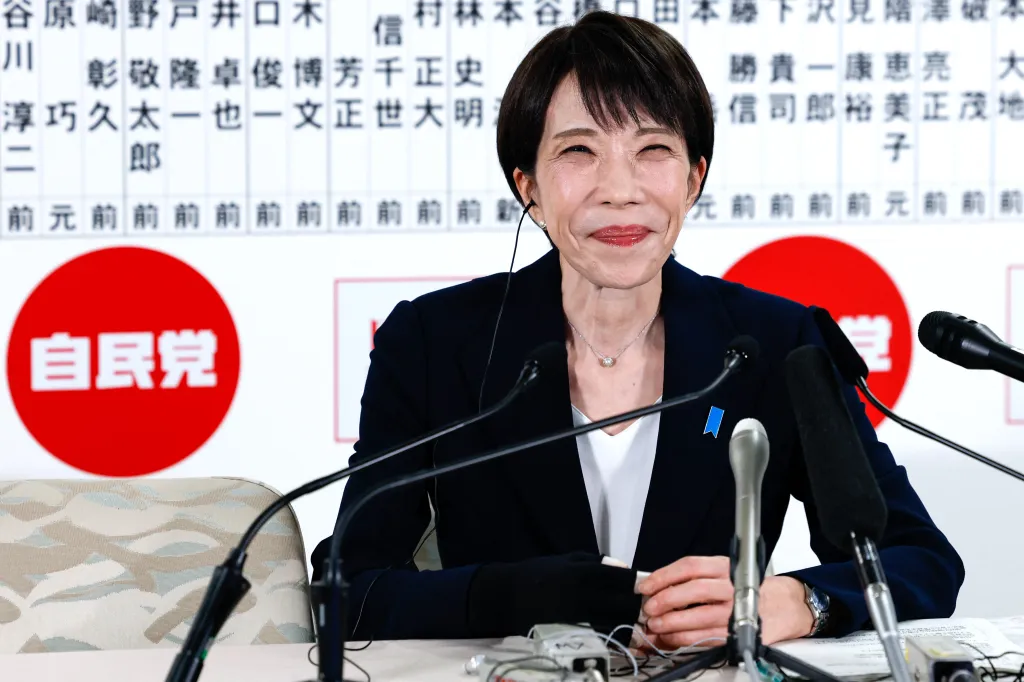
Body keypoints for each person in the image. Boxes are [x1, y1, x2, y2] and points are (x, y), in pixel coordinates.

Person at [310, 10, 963, 649]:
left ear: (693, 178)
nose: (619, 189)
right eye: (579, 151)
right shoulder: (433, 342)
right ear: (528, 186)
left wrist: (792, 601)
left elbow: (920, 559)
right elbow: (349, 593)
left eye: (652, 149)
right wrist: (520, 596)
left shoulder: (775, 341)